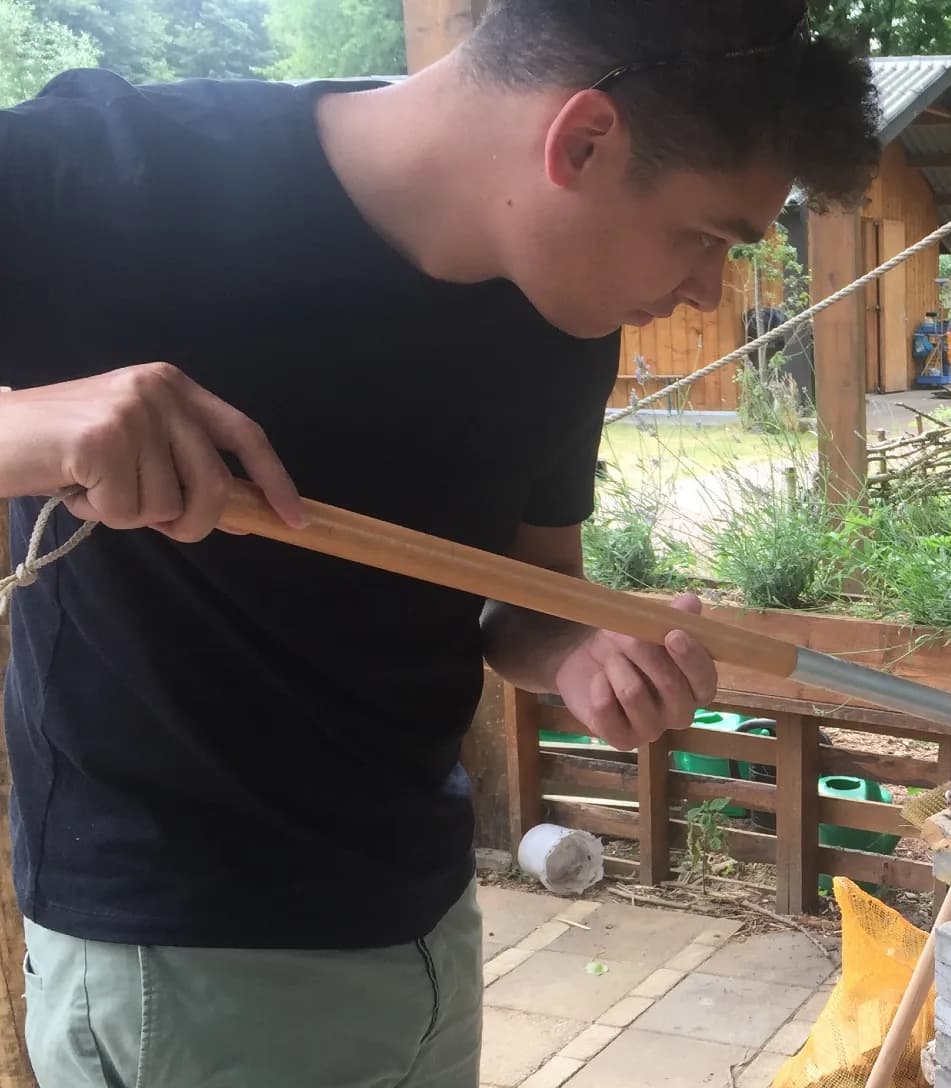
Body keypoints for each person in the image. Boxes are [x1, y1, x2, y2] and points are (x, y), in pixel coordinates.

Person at [0, 1, 880, 1083]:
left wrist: (580, 650)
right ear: (584, 139)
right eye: (708, 236)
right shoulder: (105, 179)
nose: (709, 289)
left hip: (426, 916)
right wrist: (30, 426)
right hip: (185, 957)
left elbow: (533, 596)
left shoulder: (563, 319)